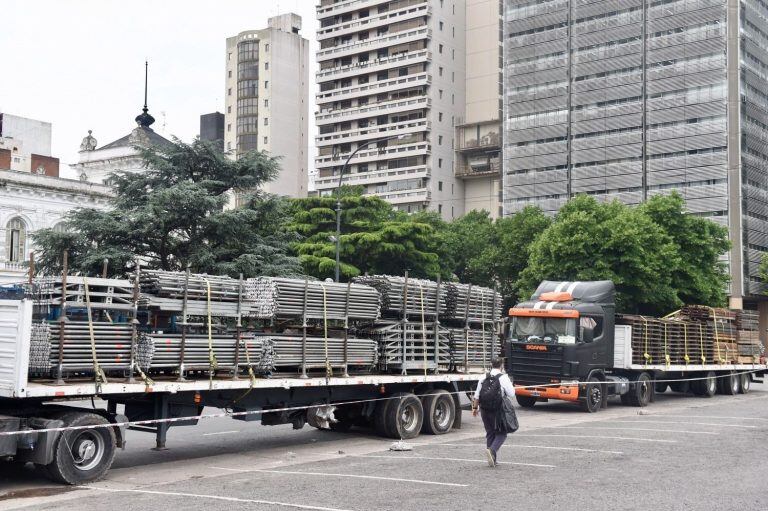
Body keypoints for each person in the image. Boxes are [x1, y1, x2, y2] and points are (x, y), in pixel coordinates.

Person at [472, 357, 515, 467]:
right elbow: (512, 394)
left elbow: (477, 395)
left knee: (490, 432)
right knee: (502, 433)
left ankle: (492, 460)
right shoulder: (503, 378)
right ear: (501, 365)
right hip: (498, 410)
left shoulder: (483, 377)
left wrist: (475, 408)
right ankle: (492, 450)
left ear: (491, 364)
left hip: (484, 409)